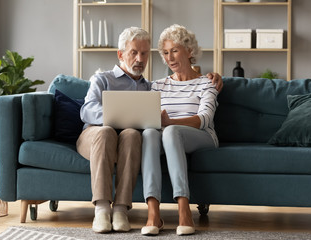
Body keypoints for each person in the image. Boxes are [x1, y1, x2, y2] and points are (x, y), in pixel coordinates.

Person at [76, 26, 222, 234]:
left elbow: (202, 118)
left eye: (144, 53)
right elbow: (87, 110)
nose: (139, 59)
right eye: (134, 52)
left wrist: (216, 77)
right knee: (118, 132)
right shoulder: (107, 79)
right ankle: (111, 211)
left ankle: (123, 210)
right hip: (98, 136)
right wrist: (120, 118)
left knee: (139, 133)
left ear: (189, 52)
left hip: (146, 139)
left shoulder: (150, 86)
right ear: (121, 54)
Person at [140, 24, 220, 236]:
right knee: (149, 133)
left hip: (202, 136)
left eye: (174, 50)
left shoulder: (207, 83)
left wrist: (169, 124)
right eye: (165, 53)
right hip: (167, 134)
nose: (169, 57)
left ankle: (184, 210)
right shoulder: (157, 85)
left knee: (170, 132)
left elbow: (204, 120)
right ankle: (153, 214)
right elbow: (151, 120)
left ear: (190, 51)